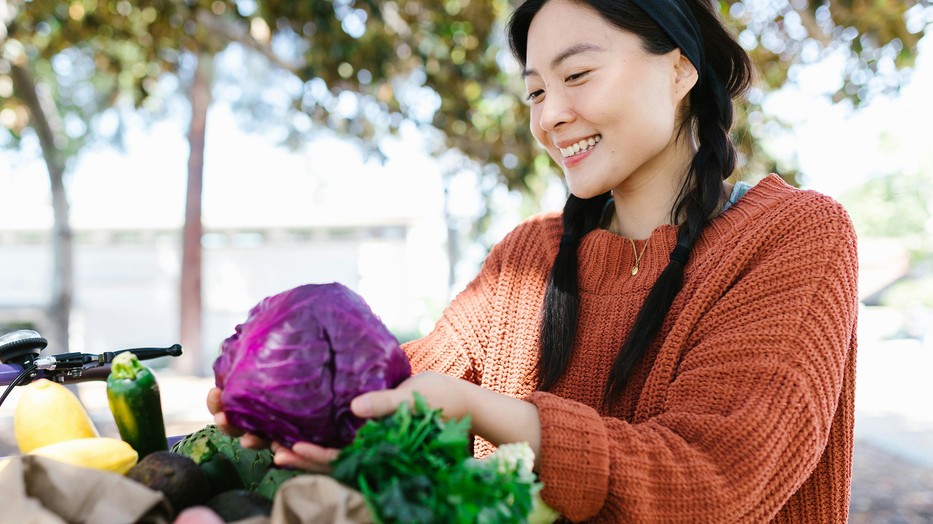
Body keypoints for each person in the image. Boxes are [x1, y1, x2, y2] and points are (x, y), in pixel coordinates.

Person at [208, 0, 859, 521]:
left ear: (680, 69)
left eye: (576, 76)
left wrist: (490, 413)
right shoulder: (529, 254)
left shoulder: (793, 235)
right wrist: (287, 397)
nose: (550, 117)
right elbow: (408, 385)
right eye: (535, 92)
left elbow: (714, 483)